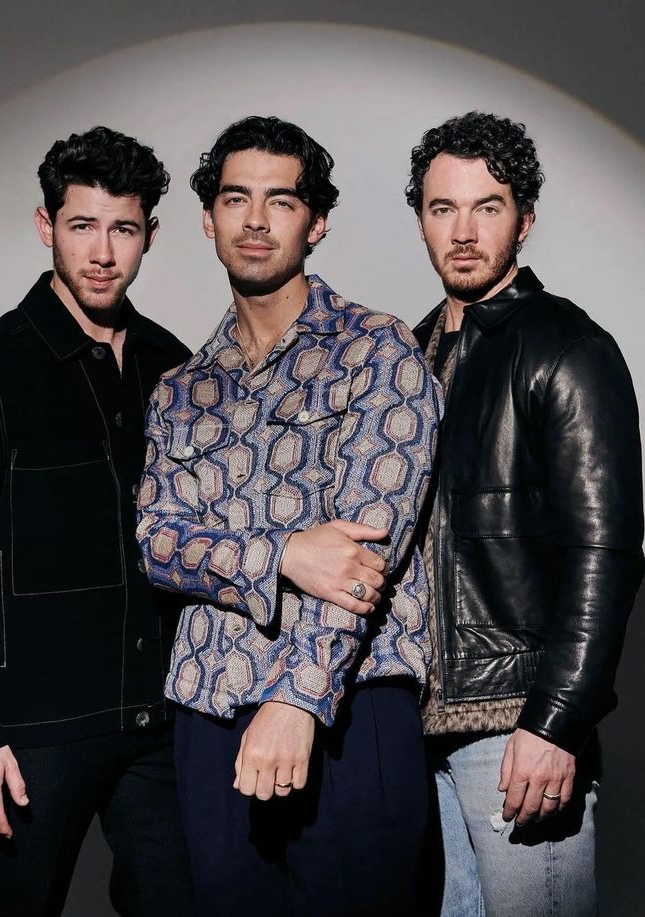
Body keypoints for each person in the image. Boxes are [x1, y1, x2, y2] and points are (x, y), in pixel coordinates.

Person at [136, 114, 442, 917]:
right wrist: (279, 554)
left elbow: (364, 552)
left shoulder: (378, 350)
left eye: (282, 199)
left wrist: (298, 697)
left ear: (318, 220)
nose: (256, 220)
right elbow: (159, 541)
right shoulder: (180, 388)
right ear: (208, 219)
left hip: (351, 709)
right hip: (208, 713)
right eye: (236, 198)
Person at [0, 126, 194, 917]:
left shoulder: (171, 368)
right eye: (82, 226)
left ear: (149, 234)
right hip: (34, 730)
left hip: (159, 721)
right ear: (47, 227)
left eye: (123, 228)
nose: (103, 251)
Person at [407, 111, 644, 917]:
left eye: (489, 206)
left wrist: (555, 721)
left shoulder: (567, 347)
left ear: (526, 219)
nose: (464, 231)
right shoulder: (408, 356)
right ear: (421, 218)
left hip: (518, 730)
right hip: (416, 732)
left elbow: (605, 551)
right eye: (444, 208)